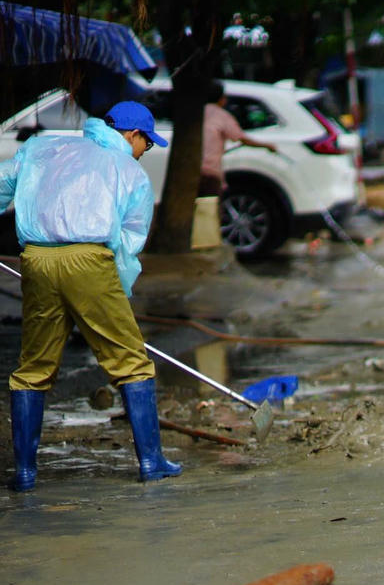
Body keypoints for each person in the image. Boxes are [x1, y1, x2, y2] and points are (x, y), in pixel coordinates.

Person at [1, 101, 184, 490]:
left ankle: (25, 474)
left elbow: (2, 184)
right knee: (130, 362)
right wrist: (116, 292)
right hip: (90, 259)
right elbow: (128, 242)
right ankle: (151, 462)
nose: (145, 151)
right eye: (147, 143)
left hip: (37, 258)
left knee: (33, 368)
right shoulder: (127, 171)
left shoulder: (44, 147)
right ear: (132, 135)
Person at [200, 80, 277, 197]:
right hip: (210, 172)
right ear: (222, 99)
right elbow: (242, 139)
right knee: (209, 203)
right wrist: (267, 146)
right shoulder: (222, 116)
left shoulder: (195, 114)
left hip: (190, 171)